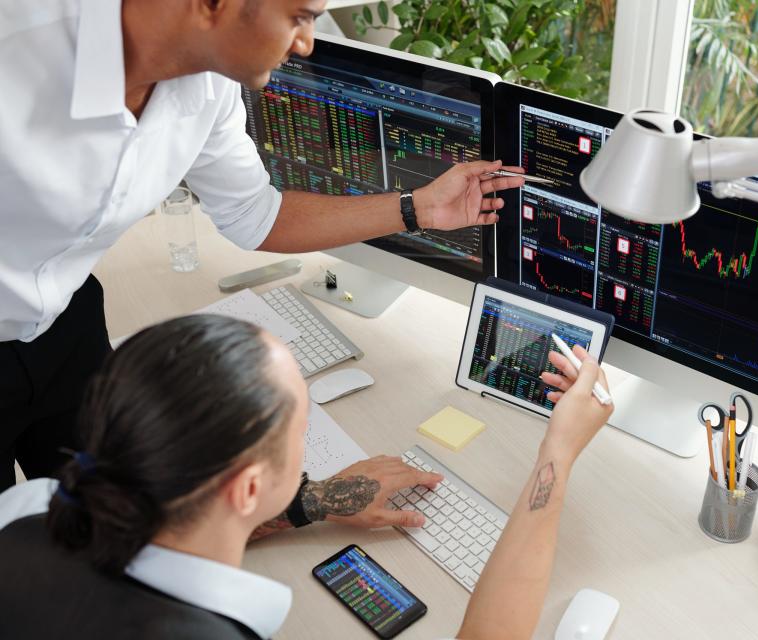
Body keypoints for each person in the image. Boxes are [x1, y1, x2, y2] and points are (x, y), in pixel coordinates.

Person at [0, 0, 525, 489]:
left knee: (114, 524)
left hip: (63, 325)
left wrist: (421, 208)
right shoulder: (18, 47)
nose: (306, 44)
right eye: (299, 16)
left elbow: (255, 214)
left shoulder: (207, 81)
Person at [0, 314, 613, 639]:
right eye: (299, 431)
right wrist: (556, 454)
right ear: (244, 490)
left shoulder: (27, 507)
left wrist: (314, 500)